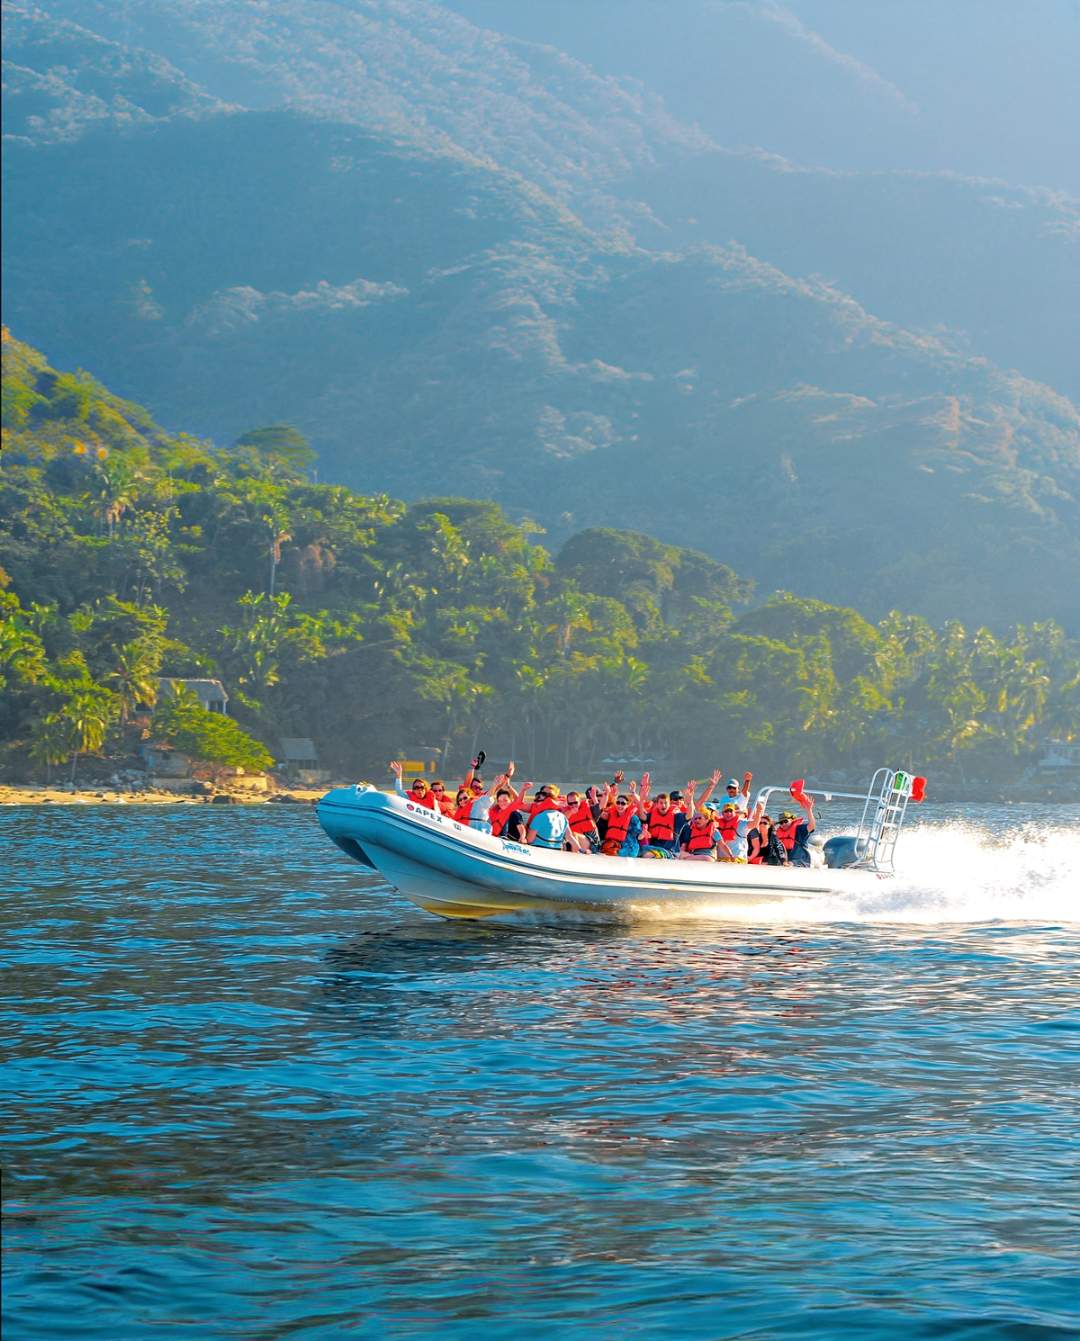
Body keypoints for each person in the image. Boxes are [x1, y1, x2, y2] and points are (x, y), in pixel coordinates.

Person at [640, 792, 688, 856]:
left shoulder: (676, 817)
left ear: (669, 804)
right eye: (661, 803)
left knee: (648, 855)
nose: (664, 805)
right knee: (641, 850)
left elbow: (689, 816)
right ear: (657, 804)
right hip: (653, 848)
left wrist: (690, 800)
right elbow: (642, 817)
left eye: (666, 803)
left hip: (669, 851)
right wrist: (641, 800)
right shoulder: (651, 816)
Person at [775, 795, 816, 867]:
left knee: (790, 864)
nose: (783, 824)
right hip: (784, 861)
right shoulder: (776, 833)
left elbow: (811, 826)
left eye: (785, 821)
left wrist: (809, 810)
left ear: (791, 820)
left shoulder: (800, 829)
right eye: (781, 823)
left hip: (801, 860)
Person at [600, 793, 643, 857]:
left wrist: (633, 792)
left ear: (628, 805)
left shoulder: (634, 818)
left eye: (623, 803)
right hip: (613, 843)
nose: (620, 805)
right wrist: (605, 795)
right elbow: (599, 812)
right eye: (618, 802)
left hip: (629, 845)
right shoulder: (612, 814)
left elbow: (639, 836)